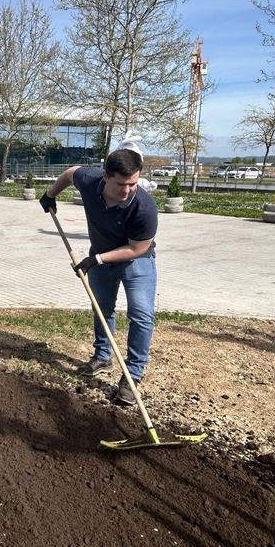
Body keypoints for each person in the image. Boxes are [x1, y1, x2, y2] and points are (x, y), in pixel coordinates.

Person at [39, 141, 158, 407]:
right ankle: (103, 356)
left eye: (133, 184)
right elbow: (71, 173)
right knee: (102, 308)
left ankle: (132, 377)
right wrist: (50, 194)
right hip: (101, 255)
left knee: (141, 313)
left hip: (136, 259)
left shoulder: (144, 207)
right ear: (106, 176)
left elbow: (138, 247)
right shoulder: (90, 180)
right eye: (121, 185)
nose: (127, 191)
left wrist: (97, 259)